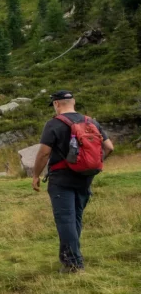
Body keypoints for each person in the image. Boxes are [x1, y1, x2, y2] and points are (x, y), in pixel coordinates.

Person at [32, 91, 114, 273]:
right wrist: (91, 164)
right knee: (75, 218)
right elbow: (109, 147)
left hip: (61, 178)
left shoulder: (53, 124)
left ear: (56, 104)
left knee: (65, 220)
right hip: (85, 178)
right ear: (73, 102)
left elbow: (44, 153)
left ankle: (73, 264)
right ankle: (72, 257)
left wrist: (36, 175)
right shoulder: (91, 122)